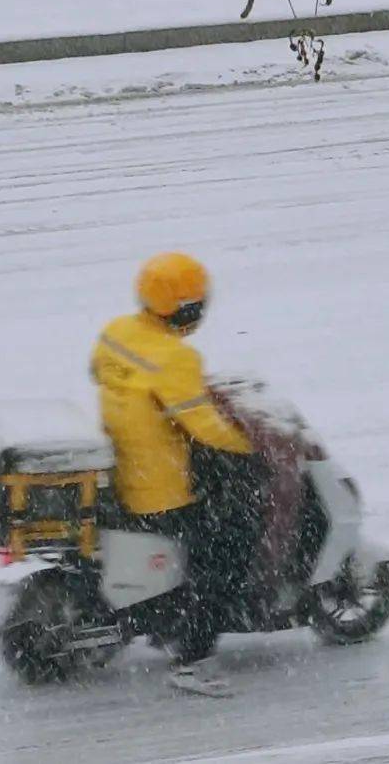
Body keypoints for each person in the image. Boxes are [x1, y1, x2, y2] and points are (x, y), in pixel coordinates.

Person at [91, 252, 256, 696]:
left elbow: (102, 373)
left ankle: (168, 618)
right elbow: (203, 426)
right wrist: (249, 448)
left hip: (120, 465)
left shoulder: (117, 333)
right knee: (224, 553)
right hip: (158, 489)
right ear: (189, 309)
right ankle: (194, 659)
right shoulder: (176, 357)